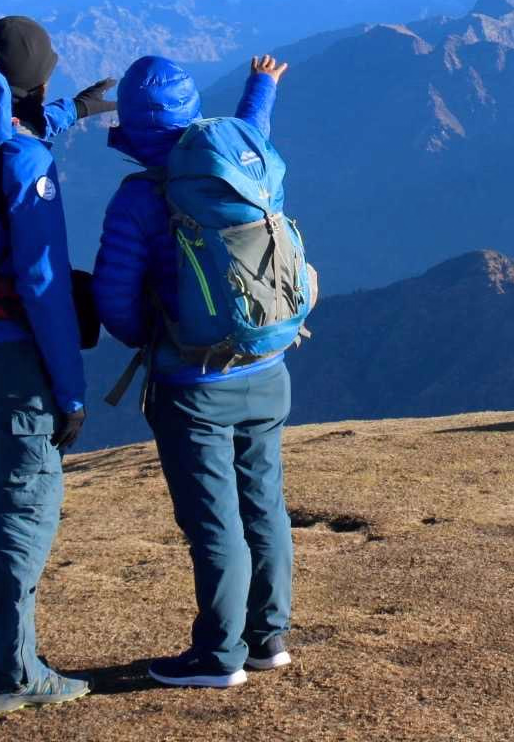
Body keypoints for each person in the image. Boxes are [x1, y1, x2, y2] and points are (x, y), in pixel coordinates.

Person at [92, 52, 300, 690]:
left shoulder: (138, 199)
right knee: (263, 504)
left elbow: (114, 300)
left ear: (132, 128)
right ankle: (267, 638)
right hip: (267, 364)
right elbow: (254, 128)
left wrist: (156, 338)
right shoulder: (243, 163)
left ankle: (218, 656)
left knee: (214, 521)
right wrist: (261, 84)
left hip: (194, 386)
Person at [0, 15, 116, 716]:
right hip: (15, 353)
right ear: (36, 82)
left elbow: (14, 123)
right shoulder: (24, 161)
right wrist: (70, 393)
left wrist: (76, 109)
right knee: (21, 509)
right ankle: (13, 674)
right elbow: (43, 285)